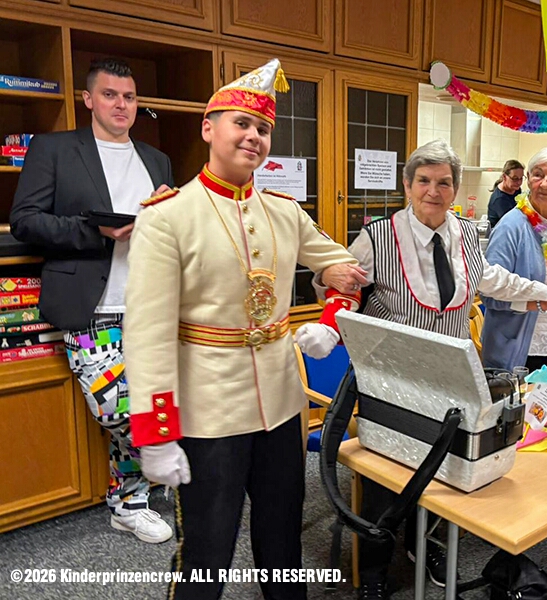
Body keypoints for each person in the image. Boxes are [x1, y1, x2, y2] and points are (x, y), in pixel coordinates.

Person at [121, 59, 367, 600]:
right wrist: (156, 431)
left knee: (282, 538)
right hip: (208, 410)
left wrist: (331, 320)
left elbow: (348, 267)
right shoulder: (167, 216)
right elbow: (147, 333)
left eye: (263, 129)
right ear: (208, 129)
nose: (254, 136)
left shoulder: (284, 211)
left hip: (280, 404)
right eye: (242, 124)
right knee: (207, 547)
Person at [309, 140, 547, 600]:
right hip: (390, 379)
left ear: (454, 188)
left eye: (444, 182)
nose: (434, 191)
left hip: (448, 376)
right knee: (383, 475)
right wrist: (330, 327)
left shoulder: (465, 233)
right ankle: (373, 568)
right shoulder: (377, 236)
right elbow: (343, 287)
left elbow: (490, 279)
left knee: (439, 467)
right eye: (424, 181)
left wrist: (542, 292)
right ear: (408, 185)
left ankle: (422, 543)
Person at [9, 58, 175, 544]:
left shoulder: (156, 159)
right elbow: (25, 220)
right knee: (119, 410)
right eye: (109, 94)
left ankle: (129, 503)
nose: (121, 104)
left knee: (148, 402)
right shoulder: (55, 149)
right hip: (91, 305)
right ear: (88, 99)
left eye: (129, 97)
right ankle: (173, 472)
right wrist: (95, 230)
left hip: (150, 306)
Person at [481, 147, 547, 371]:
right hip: (517, 352)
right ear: (527, 178)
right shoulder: (510, 227)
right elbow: (488, 295)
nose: (544, 184)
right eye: (538, 175)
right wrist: (539, 304)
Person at [487, 159, 524, 228]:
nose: (519, 182)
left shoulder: (515, 189)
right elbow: (512, 223)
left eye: (521, 178)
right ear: (504, 177)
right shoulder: (499, 199)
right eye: (515, 178)